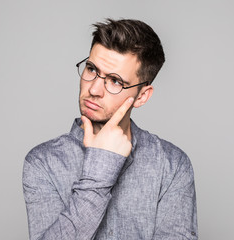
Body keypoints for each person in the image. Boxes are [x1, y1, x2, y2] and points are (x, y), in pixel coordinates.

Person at [23, 18, 198, 240]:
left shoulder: (172, 165)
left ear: (142, 96)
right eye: (91, 69)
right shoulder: (43, 162)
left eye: (115, 81)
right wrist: (100, 170)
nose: (94, 89)